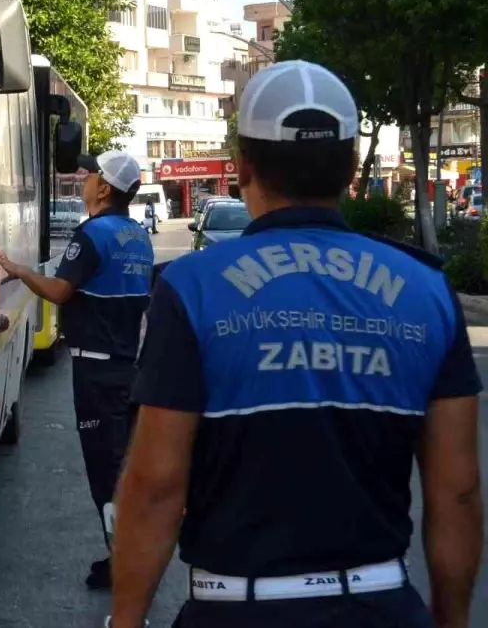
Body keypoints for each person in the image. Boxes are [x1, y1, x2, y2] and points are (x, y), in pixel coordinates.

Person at [107, 60, 483, 628]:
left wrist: (126, 621)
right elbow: (456, 492)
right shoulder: (426, 291)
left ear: (242, 168)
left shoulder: (192, 290)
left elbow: (157, 486)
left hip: (233, 610)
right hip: (381, 605)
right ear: (352, 166)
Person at [0, 149, 154, 591]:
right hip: (127, 369)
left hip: (96, 373)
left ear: (105, 188)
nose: (83, 180)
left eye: (91, 175)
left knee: (104, 472)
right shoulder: (137, 235)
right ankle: (125, 556)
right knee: (121, 468)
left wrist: (18, 271)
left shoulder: (93, 234)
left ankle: (124, 565)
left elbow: (61, 291)